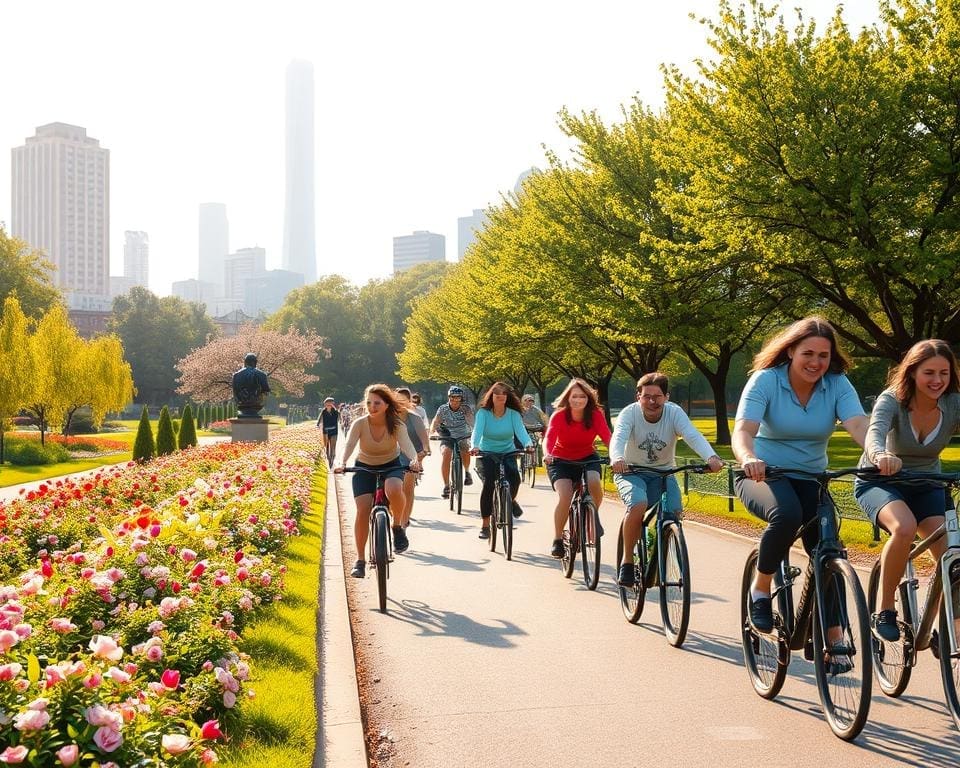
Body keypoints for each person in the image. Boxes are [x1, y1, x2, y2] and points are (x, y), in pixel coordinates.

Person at [732, 316, 868, 639]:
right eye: (808, 353)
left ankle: (833, 636)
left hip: (811, 479)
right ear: (791, 350)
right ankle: (761, 588)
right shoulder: (766, 380)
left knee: (829, 549)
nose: (816, 362)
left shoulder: (837, 384)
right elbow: (743, 431)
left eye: (824, 355)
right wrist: (749, 458)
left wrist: (878, 452)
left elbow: (860, 425)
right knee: (787, 514)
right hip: (762, 475)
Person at [854, 339, 960, 641]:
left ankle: (947, 623)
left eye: (944, 372)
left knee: (951, 551)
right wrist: (880, 456)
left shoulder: (953, 403)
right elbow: (874, 434)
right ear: (912, 372)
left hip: (927, 484)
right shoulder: (892, 400)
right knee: (903, 528)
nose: (937, 380)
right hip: (880, 481)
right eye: (929, 372)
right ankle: (885, 608)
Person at [611, 372, 725, 586]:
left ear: (667, 397)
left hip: (663, 473)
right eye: (646, 396)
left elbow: (692, 435)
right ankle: (627, 562)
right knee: (638, 504)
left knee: (673, 512)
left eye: (657, 396)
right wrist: (617, 458)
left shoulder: (674, 413)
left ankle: (660, 545)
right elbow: (619, 436)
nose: (652, 401)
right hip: (630, 471)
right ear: (638, 397)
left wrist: (711, 457)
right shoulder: (629, 414)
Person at [334, 384, 421, 577]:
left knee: (394, 488)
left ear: (387, 405)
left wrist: (414, 460)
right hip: (364, 466)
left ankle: (397, 526)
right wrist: (342, 462)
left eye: (377, 403)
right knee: (363, 508)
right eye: (369, 403)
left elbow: (407, 445)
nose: (372, 406)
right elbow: (348, 446)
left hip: (391, 464)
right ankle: (360, 560)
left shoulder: (397, 424)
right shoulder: (360, 423)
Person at [543, 379, 612, 558]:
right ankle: (557, 539)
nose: (578, 400)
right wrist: (548, 454)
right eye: (574, 396)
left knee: (594, 481)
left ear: (588, 398)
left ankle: (591, 517)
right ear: (568, 397)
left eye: (582, 396)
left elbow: (607, 436)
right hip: (560, 459)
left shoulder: (596, 414)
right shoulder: (559, 416)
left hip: (587, 456)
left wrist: (616, 455)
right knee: (565, 495)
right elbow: (549, 438)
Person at [469, 382, 534, 539]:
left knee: (515, 479)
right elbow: (477, 432)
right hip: (486, 453)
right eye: (497, 394)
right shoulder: (484, 413)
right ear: (491, 396)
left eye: (504, 394)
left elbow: (521, 432)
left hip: (508, 452)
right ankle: (485, 525)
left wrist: (528, 444)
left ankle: (510, 501)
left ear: (507, 397)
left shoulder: (513, 414)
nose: (500, 397)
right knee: (489, 483)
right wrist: (474, 446)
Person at [395, 387, 431, 534]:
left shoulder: (415, 417)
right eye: (398, 400)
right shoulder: (389, 416)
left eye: (405, 400)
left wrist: (423, 452)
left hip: (411, 456)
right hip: (393, 455)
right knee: (394, 490)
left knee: (407, 489)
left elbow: (425, 441)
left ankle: (403, 523)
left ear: (410, 402)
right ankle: (394, 517)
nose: (401, 403)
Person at [430, 385, 475, 498]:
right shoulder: (443, 409)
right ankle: (446, 486)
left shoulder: (466, 409)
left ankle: (467, 471)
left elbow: (471, 421)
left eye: (458, 398)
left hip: (462, 434)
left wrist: (474, 431)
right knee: (446, 453)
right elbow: (436, 421)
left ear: (461, 398)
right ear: (449, 397)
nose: (455, 400)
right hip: (447, 435)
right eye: (452, 397)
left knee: (465, 448)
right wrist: (432, 432)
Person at [317, 397, 340, 465]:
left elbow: (339, 417)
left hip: (334, 431)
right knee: (326, 446)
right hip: (326, 431)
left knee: (333, 446)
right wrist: (317, 425)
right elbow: (319, 419)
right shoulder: (323, 411)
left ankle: (332, 459)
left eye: (331, 403)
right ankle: (328, 458)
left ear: (333, 404)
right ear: (325, 404)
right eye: (327, 403)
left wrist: (335, 409)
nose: (329, 404)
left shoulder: (335, 411)